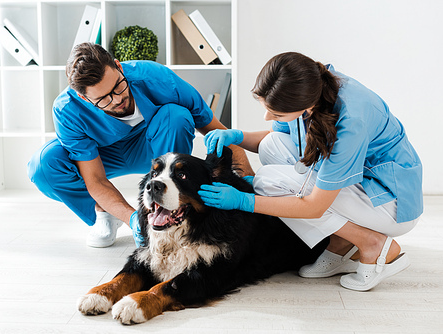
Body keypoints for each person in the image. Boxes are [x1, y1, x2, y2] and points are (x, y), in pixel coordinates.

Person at [198, 52, 422, 291]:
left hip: (389, 204)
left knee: (267, 182)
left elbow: (315, 207)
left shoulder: (350, 122)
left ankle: (372, 243)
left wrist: (244, 200)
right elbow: (278, 138)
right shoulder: (309, 85)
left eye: (275, 114)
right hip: (360, 185)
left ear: (305, 107)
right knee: (270, 147)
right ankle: (341, 243)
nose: (266, 117)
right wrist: (237, 135)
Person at [27, 43, 253, 248]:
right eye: (103, 99)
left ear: (118, 67)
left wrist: (250, 185)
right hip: (102, 157)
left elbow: (218, 132)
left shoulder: (157, 78)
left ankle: (170, 207)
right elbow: (94, 179)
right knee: (44, 165)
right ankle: (105, 211)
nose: (116, 100)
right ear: (85, 99)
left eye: (118, 86)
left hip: (154, 148)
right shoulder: (67, 110)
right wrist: (134, 218)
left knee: (176, 116)